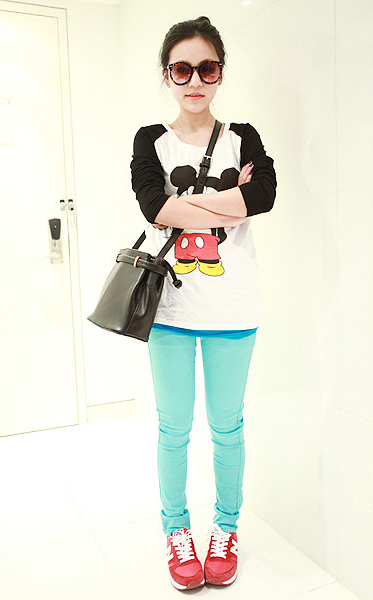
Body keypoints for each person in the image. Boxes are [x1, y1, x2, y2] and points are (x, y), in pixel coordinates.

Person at [130, 16, 277, 591]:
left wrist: (187, 205)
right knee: (173, 429)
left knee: (227, 427)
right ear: (167, 74)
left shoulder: (245, 136)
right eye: (182, 69)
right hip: (168, 310)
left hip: (233, 307)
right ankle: (176, 532)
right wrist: (230, 199)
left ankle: (226, 529)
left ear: (220, 73)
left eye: (207, 68)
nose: (195, 80)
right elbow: (154, 206)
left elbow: (263, 196)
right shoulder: (151, 140)